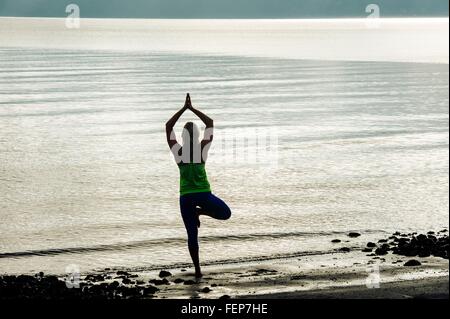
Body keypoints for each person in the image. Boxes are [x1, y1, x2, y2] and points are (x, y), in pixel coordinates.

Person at [165, 93, 232, 278]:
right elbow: (210, 123)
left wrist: (183, 109)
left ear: (184, 136)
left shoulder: (178, 151)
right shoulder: (202, 149)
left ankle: (197, 270)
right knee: (225, 213)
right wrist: (192, 109)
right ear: (196, 135)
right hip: (203, 194)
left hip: (186, 197)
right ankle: (200, 212)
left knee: (192, 234)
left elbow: (168, 126)